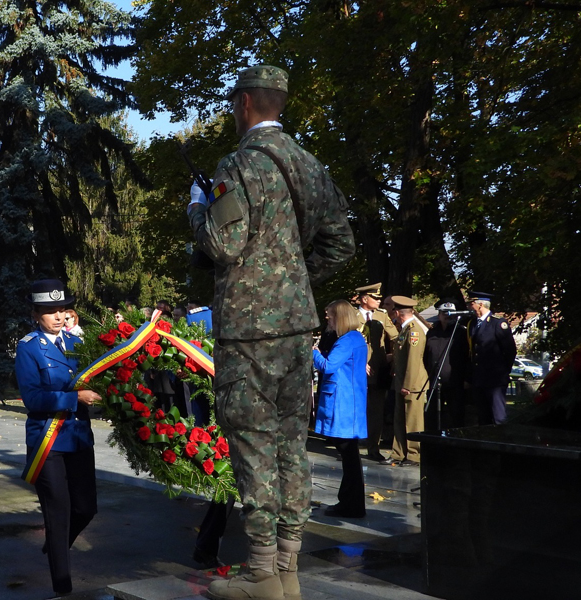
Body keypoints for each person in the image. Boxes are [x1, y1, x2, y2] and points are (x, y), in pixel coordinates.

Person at [188, 65, 354, 600]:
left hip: (249, 332)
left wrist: (196, 210)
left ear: (243, 103)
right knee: (291, 447)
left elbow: (222, 245)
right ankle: (287, 566)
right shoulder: (310, 166)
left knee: (253, 446)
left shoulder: (237, 165)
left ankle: (261, 573)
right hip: (297, 329)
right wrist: (292, 282)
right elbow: (340, 245)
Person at [14, 279, 102, 596]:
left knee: (86, 508)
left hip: (78, 437)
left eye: (61, 309)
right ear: (36, 314)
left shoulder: (76, 343)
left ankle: (56, 544)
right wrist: (74, 398)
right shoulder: (28, 347)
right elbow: (33, 398)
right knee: (59, 513)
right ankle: (62, 587)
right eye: (50, 311)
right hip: (48, 441)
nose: (58, 315)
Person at [312, 300, 368, 518]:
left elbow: (328, 365)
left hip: (344, 402)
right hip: (347, 400)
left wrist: (313, 351)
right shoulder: (353, 338)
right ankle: (350, 502)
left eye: (331, 316)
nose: (328, 320)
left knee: (349, 455)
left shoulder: (347, 340)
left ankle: (350, 504)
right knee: (349, 455)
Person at [354, 282, 398, 462]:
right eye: (376, 298)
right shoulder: (352, 315)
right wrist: (359, 362)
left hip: (378, 369)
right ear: (365, 299)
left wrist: (393, 357)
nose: (379, 301)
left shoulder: (382, 315)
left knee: (376, 410)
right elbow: (346, 341)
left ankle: (373, 448)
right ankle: (351, 447)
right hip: (356, 369)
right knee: (356, 408)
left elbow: (395, 336)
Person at [384, 296, 427, 466]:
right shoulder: (404, 329)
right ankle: (398, 453)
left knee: (413, 421)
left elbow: (413, 361)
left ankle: (414, 455)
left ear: (398, 313)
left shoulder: (414, 331)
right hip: (402, 382)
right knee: (400, 419)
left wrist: (407, 385)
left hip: (412, 384)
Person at [465, 292, 517, 425]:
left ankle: (501, 444)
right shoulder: (472, 324)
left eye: (471, 303)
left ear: (480, 304)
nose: (469, 307)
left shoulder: (497, 323)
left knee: (498, 417)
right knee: (483, 417)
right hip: (478, 379)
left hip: (495, 379)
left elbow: (510, 350)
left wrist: (502, 372)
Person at [424, 302, 470, 430]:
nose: (447, 316)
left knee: (456, 416)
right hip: (434, 381)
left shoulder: (461, 332)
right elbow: (425, 356)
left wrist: (467, 378)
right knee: (432, 416)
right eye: (444, 313)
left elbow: (467, 357)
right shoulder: (432, 332)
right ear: (438, 314)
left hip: (455, 381)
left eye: (450, 313)